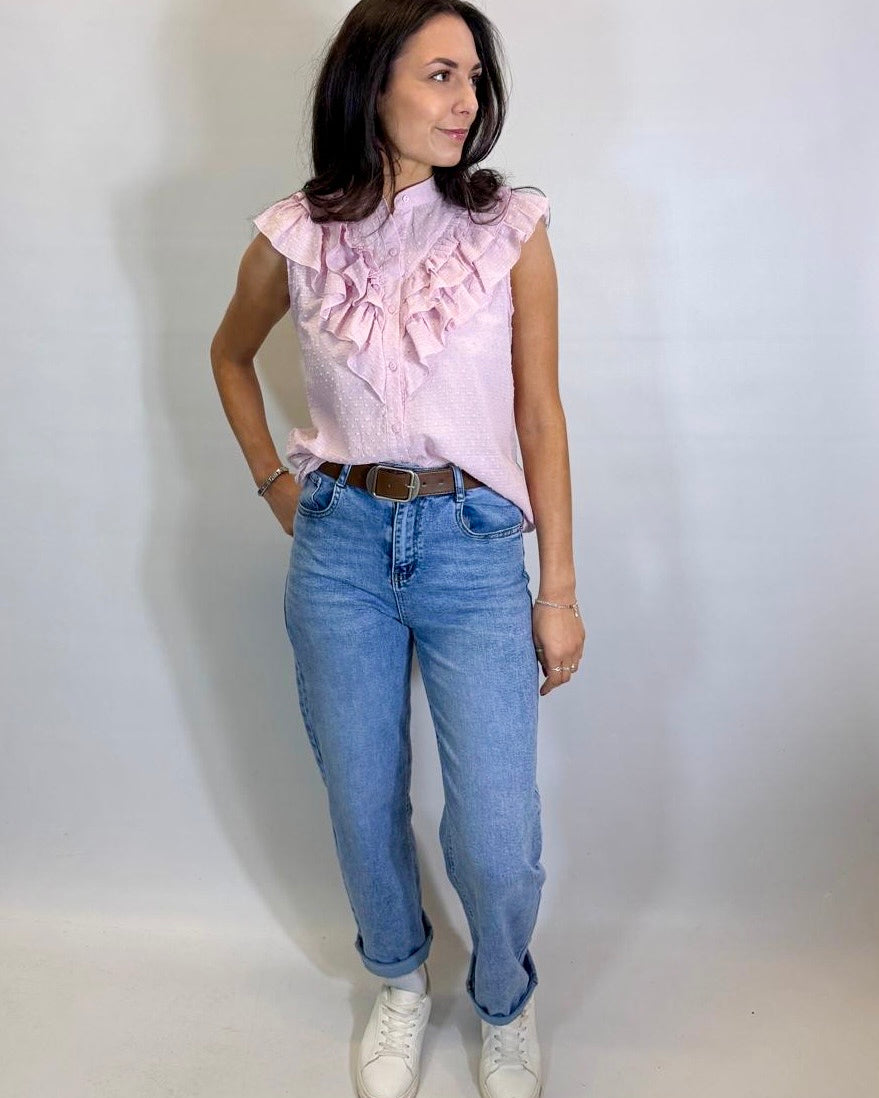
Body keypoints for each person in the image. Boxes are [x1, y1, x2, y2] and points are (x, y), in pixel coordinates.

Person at [210, 2, 585, 1095]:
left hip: (473, 548)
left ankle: (504, 999)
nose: (466, 100)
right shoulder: (297, 233)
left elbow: (540, 415)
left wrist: (557, 590)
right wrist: (277, 482)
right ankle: (400, 982)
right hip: (339, 551)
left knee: (497, 831)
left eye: (473, 77)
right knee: (360, 796)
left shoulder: (508, 228)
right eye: (438, 75)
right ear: (371, 84)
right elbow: (229, 354)